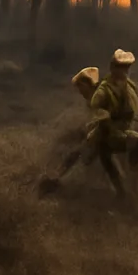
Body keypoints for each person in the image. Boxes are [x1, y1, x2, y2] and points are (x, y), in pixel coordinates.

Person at [87, 49, 138, 199]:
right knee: (105, 156)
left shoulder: (130, 86)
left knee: (133, 149)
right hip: (110, 131)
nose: (125, 71)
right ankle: (121, 190)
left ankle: (133, 186)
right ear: (113, 67)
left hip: (125, 129)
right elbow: (95, 106)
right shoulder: (105, 89)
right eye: (121, 67)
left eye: (127, 67)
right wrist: (105, 118)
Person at [38, 66, 102, 195]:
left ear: (86, 85)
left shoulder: (99, 98)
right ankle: (57, 176)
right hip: (99, 133)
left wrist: (92, 134)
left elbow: (105, 119)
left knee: (77, 152)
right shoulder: (92, 99)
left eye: (80, 87)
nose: (79, 91)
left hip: (107, 133)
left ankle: (56, 178)